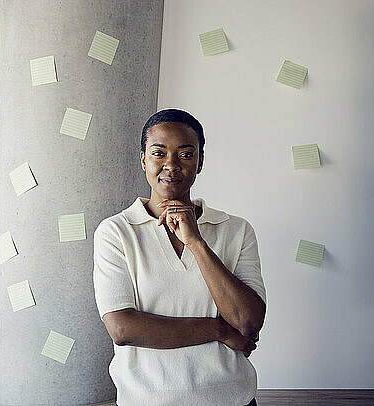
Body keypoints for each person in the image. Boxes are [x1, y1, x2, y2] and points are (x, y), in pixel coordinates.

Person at [93, 109, 266, 406]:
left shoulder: (236, 229)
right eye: (159, 153)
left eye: (185, 154)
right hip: (146, 400)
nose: (171, 165)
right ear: (143, 159)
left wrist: (196, 242)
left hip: (231, 398)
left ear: (200, 162)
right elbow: (122, 328)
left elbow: (248, 322)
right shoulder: (116, 232)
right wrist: (218, 329)